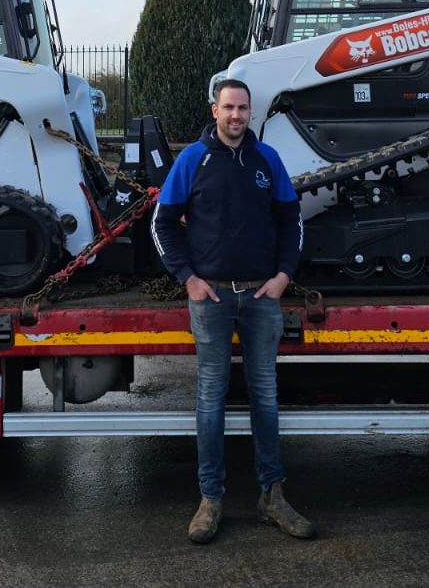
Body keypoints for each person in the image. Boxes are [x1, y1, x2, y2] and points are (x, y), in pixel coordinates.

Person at [151, 78, 315, 544]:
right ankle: (210, 499)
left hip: (263, 298)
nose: (236, 116)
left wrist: (283, 276)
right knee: (210, 400)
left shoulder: (268, 160)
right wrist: (189, 279)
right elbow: (162, 224)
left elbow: (291, 220)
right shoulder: (192, 160)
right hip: (213, 299)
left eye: (243, 108)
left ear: (250, 112)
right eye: (228, 108)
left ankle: (273, 496)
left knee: (265, 396)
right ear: (214, 110)